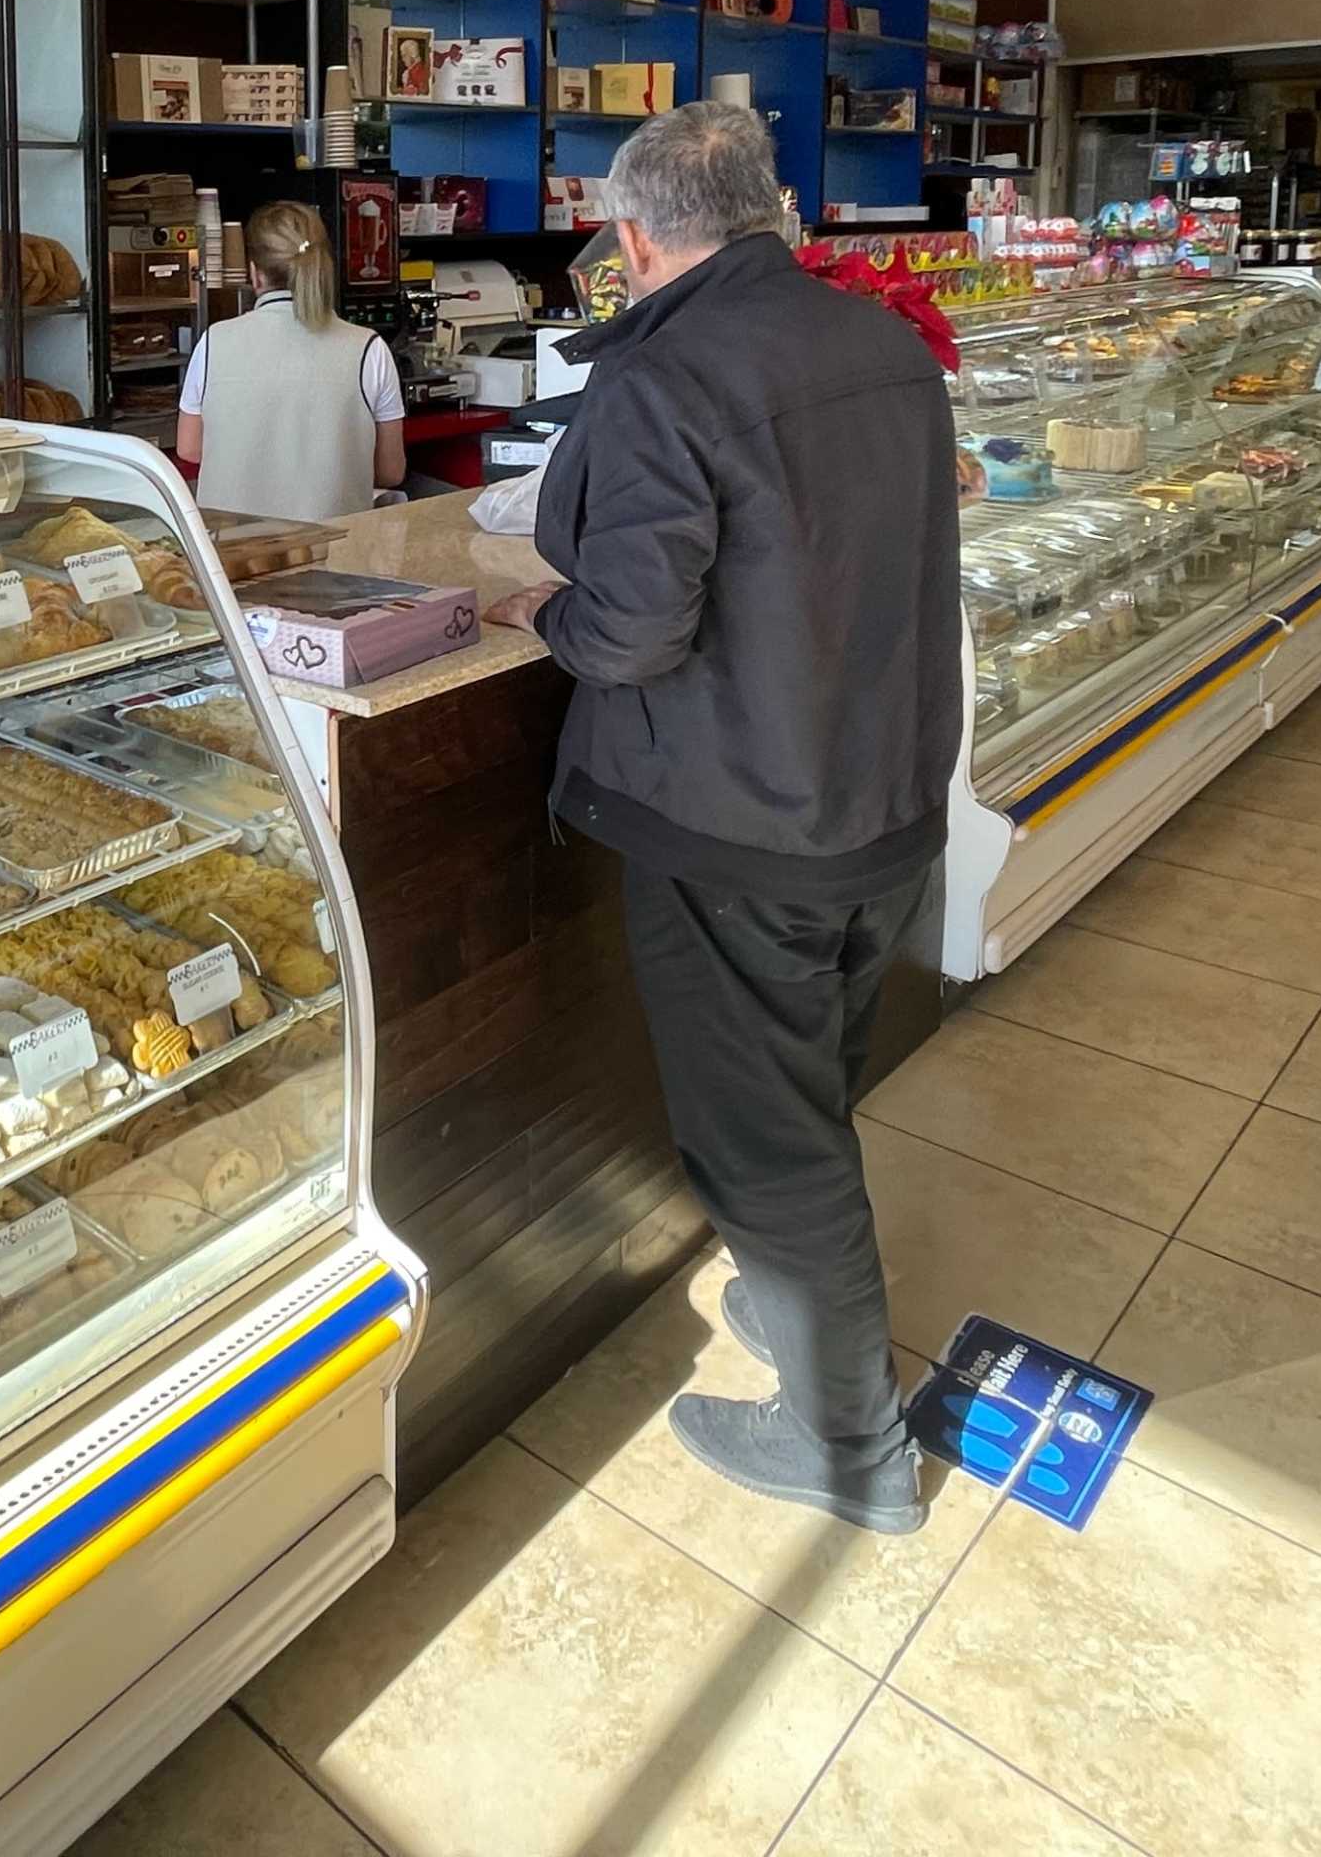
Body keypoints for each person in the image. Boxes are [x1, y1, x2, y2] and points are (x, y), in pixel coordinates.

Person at [480, 103, 962, 1531]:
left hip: (737, 818)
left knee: (767, 1141)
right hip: (882, 797)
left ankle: (848, 1454)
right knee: (809, 1086)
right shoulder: (883, 345)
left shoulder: (665, 376)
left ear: (632, 239)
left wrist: (543, 606)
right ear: (775, 212)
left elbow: (629, 633)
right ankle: (797, 1310)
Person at [174, 202, 405, 520]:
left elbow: (190, 448)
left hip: (237, 555)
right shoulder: (370, 349)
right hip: (335, 555)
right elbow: (390, 471)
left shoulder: (214, 342)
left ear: (254, 273)